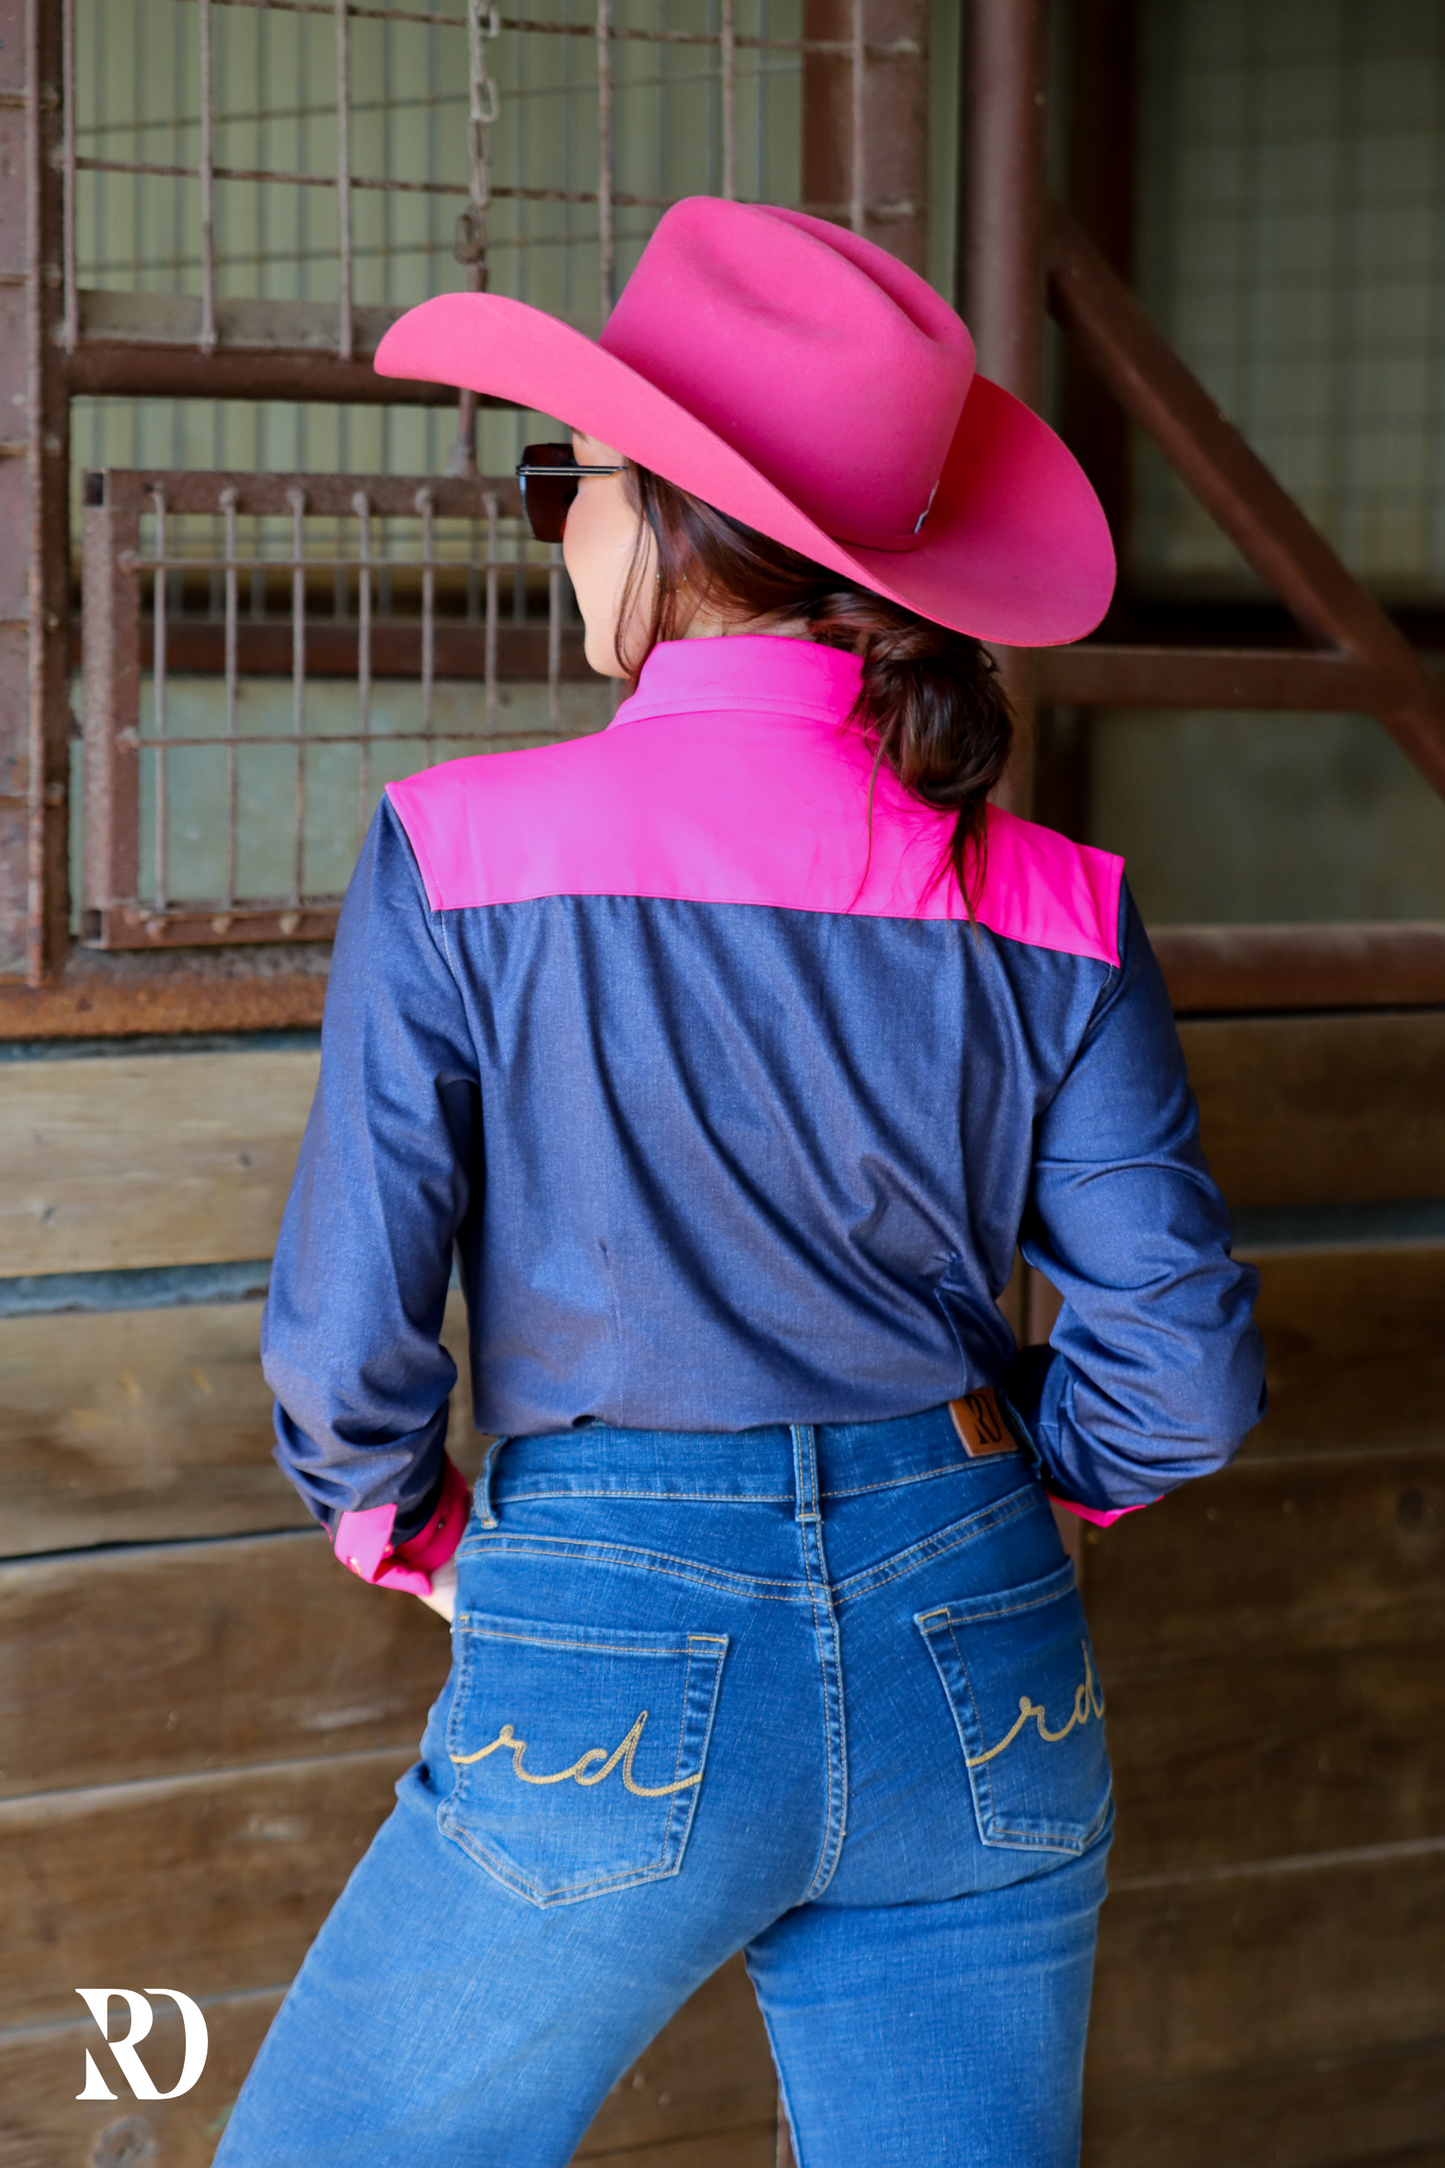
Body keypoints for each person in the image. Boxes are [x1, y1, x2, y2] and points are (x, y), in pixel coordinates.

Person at [214, 199, 1264, 2168]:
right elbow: (1179, 1372)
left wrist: (404, 1533)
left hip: (607, 1625)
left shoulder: (458, 850)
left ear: (667, 521)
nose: (557, 528)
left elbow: (349, 1334)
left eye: (564, 482)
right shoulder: (1055, 901)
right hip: (985, 1635)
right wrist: (1007, 1489)